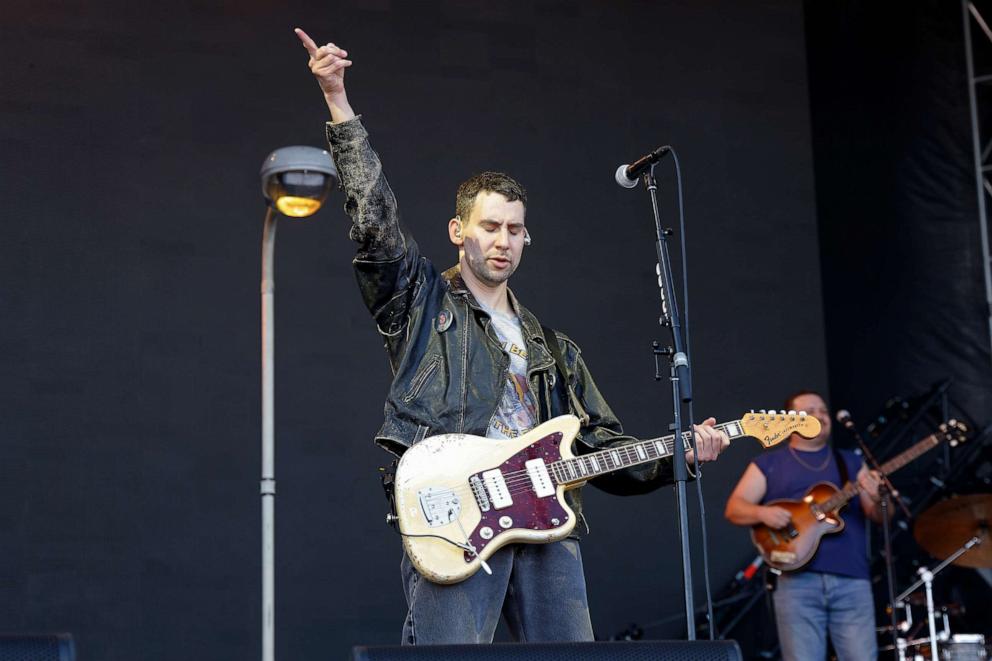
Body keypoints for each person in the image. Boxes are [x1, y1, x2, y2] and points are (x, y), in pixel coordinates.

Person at [295, 27, 730, 645]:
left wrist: (678, 455)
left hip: (549, 525)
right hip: (457, 510)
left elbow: (603, 447)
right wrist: (338, 101)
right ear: (458, 231)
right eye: (490, 226)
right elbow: (377, 226)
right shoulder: (421, 305)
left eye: (516, 230)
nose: (503, 241)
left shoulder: (556, 349)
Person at [724, 391, 884, 660]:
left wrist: (879, 496)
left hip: (852, 580)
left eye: (823, 411)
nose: (820, 416)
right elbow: (734, 509)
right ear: (790, 420)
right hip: (796, 583)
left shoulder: (851, 462)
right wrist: (763, 513)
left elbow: (879, 516)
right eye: (810, 411)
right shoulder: (768, 463)